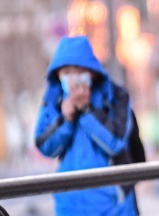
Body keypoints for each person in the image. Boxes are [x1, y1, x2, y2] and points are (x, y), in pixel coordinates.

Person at [34, 35, 145, 216]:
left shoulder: (115, 96)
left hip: (114, 206)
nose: (73, 78)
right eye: (66, 72)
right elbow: (44, 145)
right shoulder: (54, 99)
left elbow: (116, 141)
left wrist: (86, 110)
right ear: (58, 75)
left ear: (92, 72)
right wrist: (65, 118)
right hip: (69, 204)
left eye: (79, 70)